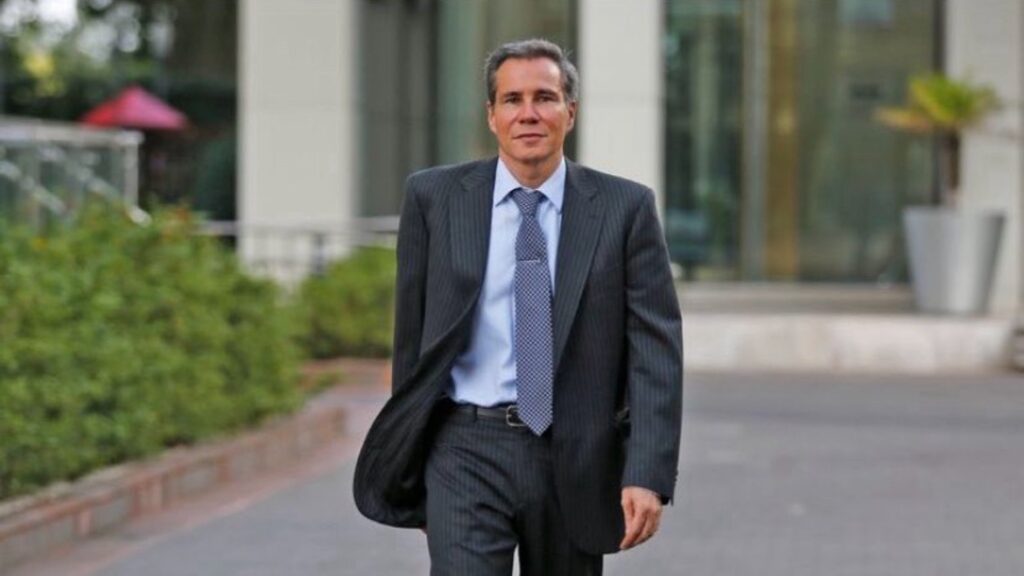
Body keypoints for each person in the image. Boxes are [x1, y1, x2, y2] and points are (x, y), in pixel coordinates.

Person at [353, 38, 683, 575]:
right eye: (512, 99)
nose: (528, 113)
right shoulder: (435, 199)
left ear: (570, 112)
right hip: (464, 447)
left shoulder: (625, 209)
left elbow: (655, 351)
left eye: (544, 98)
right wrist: (411, 466)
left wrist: (647, 471)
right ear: (492, 115)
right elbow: (412, 343)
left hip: (576, 453)